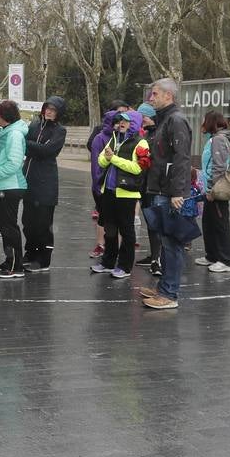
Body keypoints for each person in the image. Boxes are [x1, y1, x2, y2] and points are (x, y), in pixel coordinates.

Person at [136, 80, 193, 308]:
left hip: (169, 192)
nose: (151, 98)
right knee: (166, 241)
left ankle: (169, 294)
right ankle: (164, 288)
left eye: (155, 94)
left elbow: (181, 158)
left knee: (172, 244)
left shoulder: (176, 120)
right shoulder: (164, 120)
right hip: (160, 189)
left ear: (168, 95)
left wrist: (177, 192)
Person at [92, 111, 148, 279]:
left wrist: (113, 158)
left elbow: (138, 168)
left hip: (127, 194)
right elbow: (101, 161)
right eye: (121, 120)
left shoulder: (141, 143)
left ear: (135, 124)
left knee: (126, 231)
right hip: (109, 191)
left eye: (127, 121)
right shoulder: (115, 138)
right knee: (109, 228)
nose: (122, 123)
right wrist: (108, 158)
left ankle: (125, 266)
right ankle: (108, 262)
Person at [21, 96, 67, 273]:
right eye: (47, 108)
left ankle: (43, 259)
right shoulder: (34, 125)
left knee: (43, 224)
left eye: (53, 109)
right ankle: (30, 253)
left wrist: (28, 145)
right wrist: (33, 146)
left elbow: (48, 151)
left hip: (46, 183)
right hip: (29, 181)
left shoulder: (60, 131)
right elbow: (33, 148)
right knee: (28, 222)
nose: (49, 111)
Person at [0, 100, 29, 279]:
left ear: (4, 116)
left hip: (9, 186)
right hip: (3, 187)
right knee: (5, 227)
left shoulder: (14, 135)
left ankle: (15, 266)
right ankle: (10, 260)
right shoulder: (7, 132)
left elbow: (14, 162)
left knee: (9, 227)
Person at [196, 111, 230, 272]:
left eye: (205, 120)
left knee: (220, 224)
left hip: (217, 190)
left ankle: (226, 260)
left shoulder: (218, 140)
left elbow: (219, 166)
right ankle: (212, 255)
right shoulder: (213, 139)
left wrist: (213, 188)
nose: (202, 124)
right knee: (209, 222)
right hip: (210, 189)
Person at [132, 103, 163, 274]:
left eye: (142, 117)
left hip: (154, 185)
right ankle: (154, 256)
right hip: (145, 184)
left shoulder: (157, 135)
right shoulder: (148, 133)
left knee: (155, 223)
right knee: (151, 222)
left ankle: (157, 258)